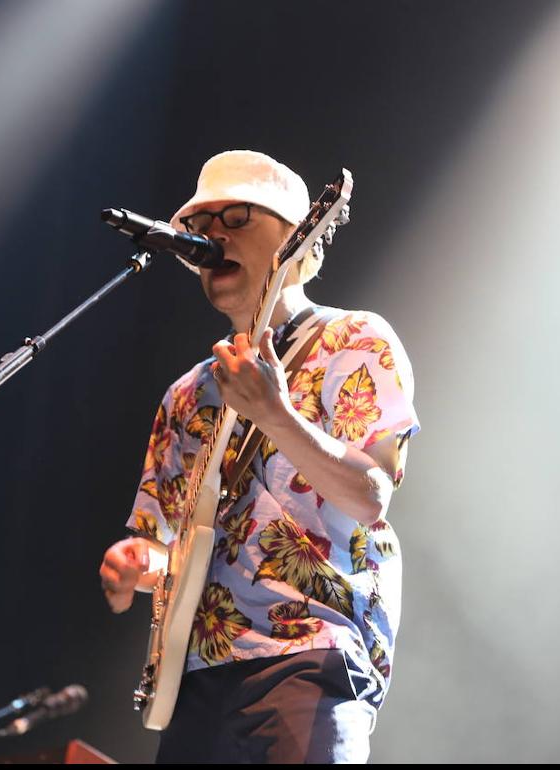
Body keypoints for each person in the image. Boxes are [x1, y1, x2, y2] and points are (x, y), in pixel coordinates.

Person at [99, 150, 419, 763]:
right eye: (201, 225)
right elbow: (174, 547)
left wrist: (277, 414)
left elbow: (370, 494)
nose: (213, 236)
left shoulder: (354, 340)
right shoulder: (187, 395)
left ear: (297, 243)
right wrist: (136, 564)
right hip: (197, 672)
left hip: (309, 653)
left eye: (239, 217)